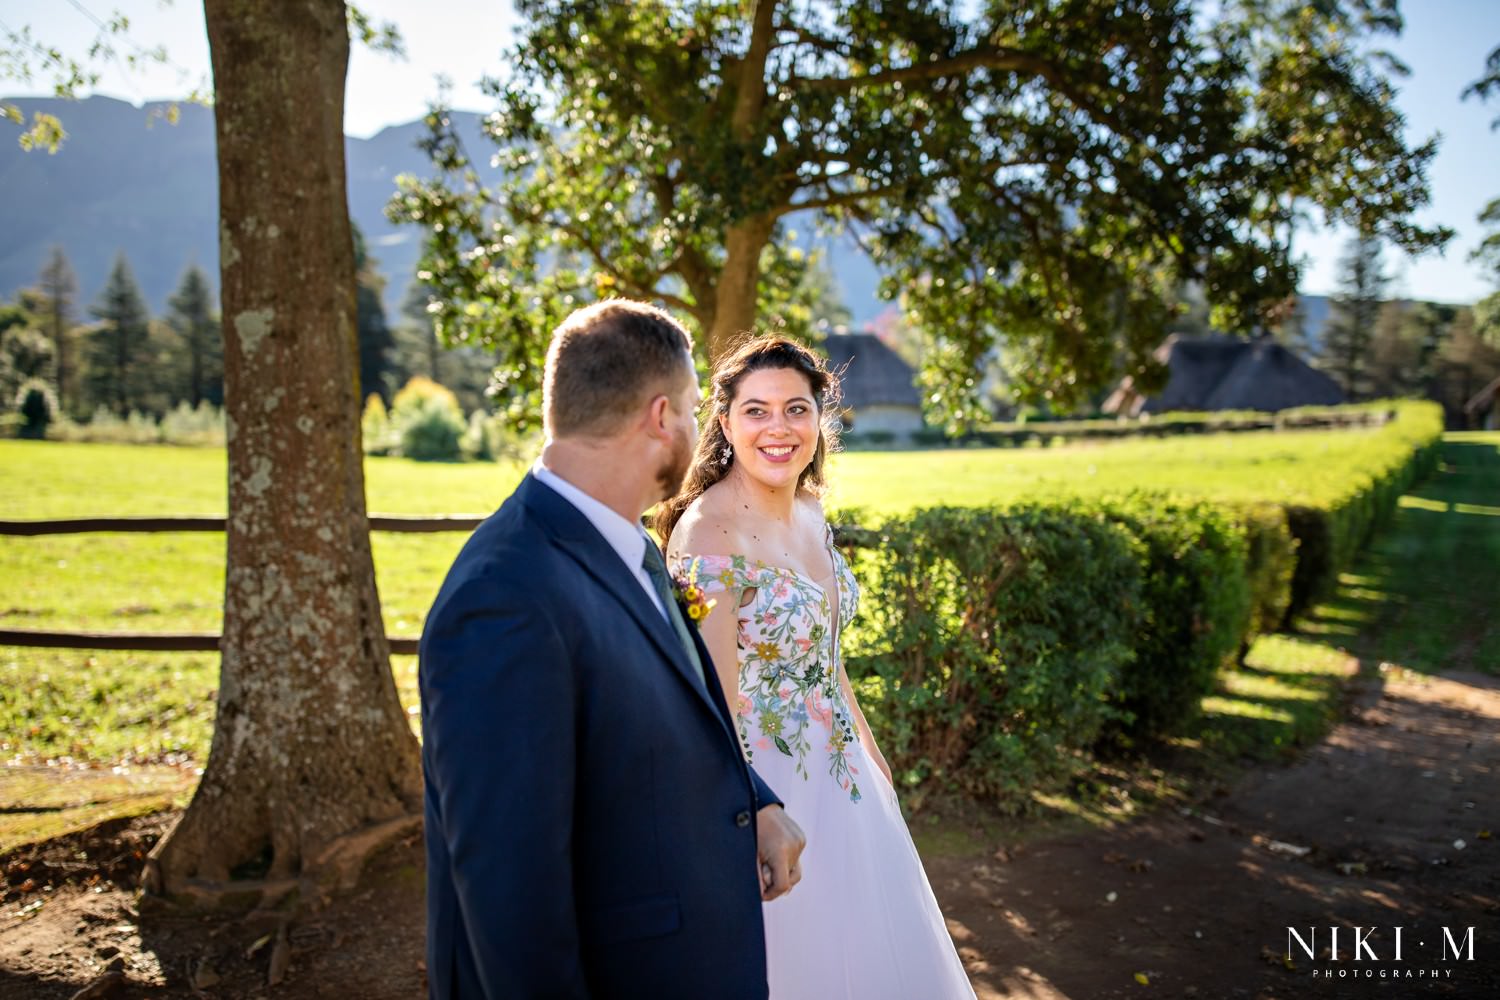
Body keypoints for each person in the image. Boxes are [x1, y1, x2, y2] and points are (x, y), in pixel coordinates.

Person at [419, 300, 806, 999]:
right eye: (693, 409)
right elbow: (510, 892)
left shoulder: (626, 544)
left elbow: (676, 710)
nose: (695, 428)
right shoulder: (503, 596)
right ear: (662, 417)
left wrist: (758, 801)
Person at [658, 336, 975, 1000]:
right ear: (725, 423)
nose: (779, 428)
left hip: (846, 779)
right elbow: (707, 702)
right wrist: (748, 808)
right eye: (757, 411)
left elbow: (825, 656)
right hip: (771, 792)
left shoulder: (809, 509)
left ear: (820, 420)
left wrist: (870, 748)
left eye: (796, 409)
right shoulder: (706, 535)